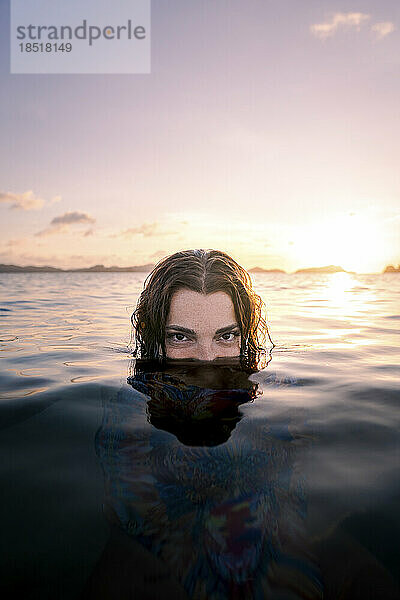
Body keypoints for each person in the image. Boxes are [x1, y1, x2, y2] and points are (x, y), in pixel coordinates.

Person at [131, 249, 273, 371]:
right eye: (180, 337)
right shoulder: (132, 401)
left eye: (226, 336)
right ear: (149, 334)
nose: (207, 359)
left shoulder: (274, 386)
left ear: (245, 333)